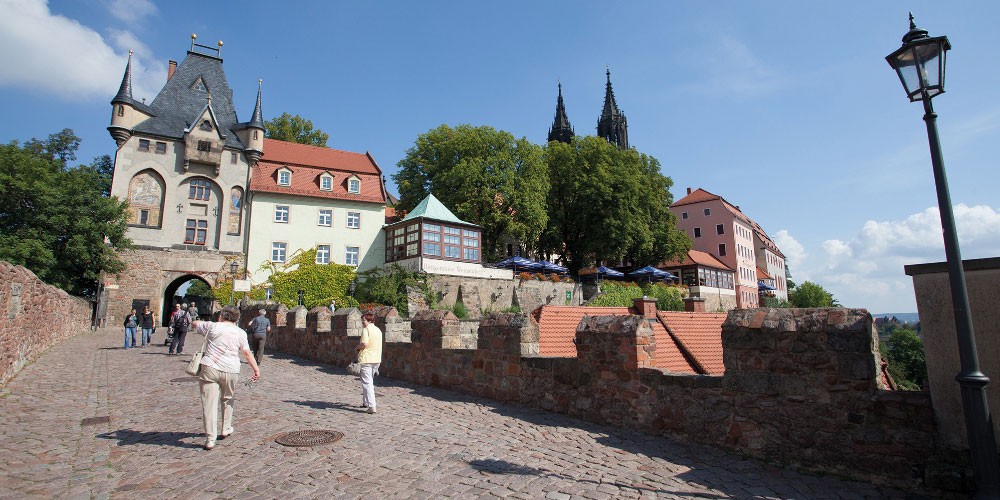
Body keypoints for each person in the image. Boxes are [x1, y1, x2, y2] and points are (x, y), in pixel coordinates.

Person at [191, 306, 260, 450]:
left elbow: (195, 324)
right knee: (228, 398)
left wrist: (200, 322)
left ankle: (210, 438)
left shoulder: (213, 327)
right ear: (237, 318)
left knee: (209, 403)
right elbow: (247, 353)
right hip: (231, 369)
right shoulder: (240, 332)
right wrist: (256, 369)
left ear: (221, 316)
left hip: (210, 367)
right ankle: (226, 428)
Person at [356, 311, 383, 414]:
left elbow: (364, 343)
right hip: (376, 359)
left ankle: (372, 406)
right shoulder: (378, 330)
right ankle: (366, 402)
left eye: (363, 320)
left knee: (367, 383)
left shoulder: (366, 330)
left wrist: (357, 348)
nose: (362, 322)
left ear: (368, 320)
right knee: (368, 381)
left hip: (367, 359)